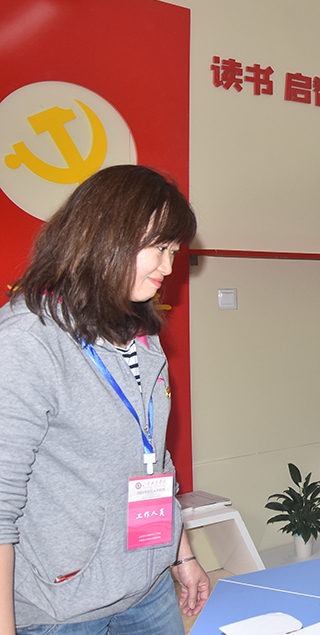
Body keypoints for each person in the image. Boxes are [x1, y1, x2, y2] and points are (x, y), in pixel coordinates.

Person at [0, 165, 209, 633]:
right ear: (105, 236)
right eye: (159, 248)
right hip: (62, 609)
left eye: (174, 252)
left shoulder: (140, 335)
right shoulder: (27, 341)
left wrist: (181, 555)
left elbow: (152, 457)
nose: (168, 267)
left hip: (147, 588)